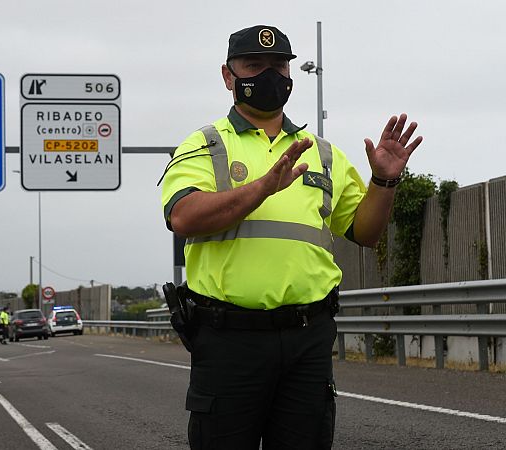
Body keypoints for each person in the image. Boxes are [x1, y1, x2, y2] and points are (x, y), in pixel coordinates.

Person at [160, 25, 422, 449]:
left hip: (308, 339)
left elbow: (365, 232)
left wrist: (383, 181)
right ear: (228, 76)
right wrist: (261, 188)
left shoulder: (320, 151)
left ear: (290, 75)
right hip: (229, 341)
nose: (268, 75)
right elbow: (183, 216)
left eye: (278, 66)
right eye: (253, 66)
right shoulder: (204, 145)